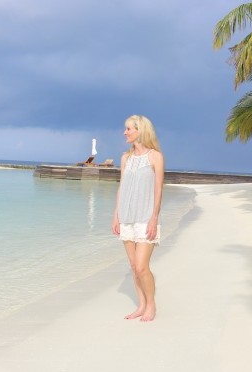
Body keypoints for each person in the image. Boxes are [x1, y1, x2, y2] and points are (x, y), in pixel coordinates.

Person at [112, 115, 164, 322]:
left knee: (142, 266)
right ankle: (141, 305)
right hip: (126, 216)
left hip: (145, 217)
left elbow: (158, 189)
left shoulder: (155, 157)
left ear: (140, 130)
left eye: (128, 129)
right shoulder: (126, 158)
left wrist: (154, 218)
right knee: (134, 266)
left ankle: (151, 305)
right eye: (125, 129)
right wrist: (116, 215)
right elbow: (122, 187)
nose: (124, 132)